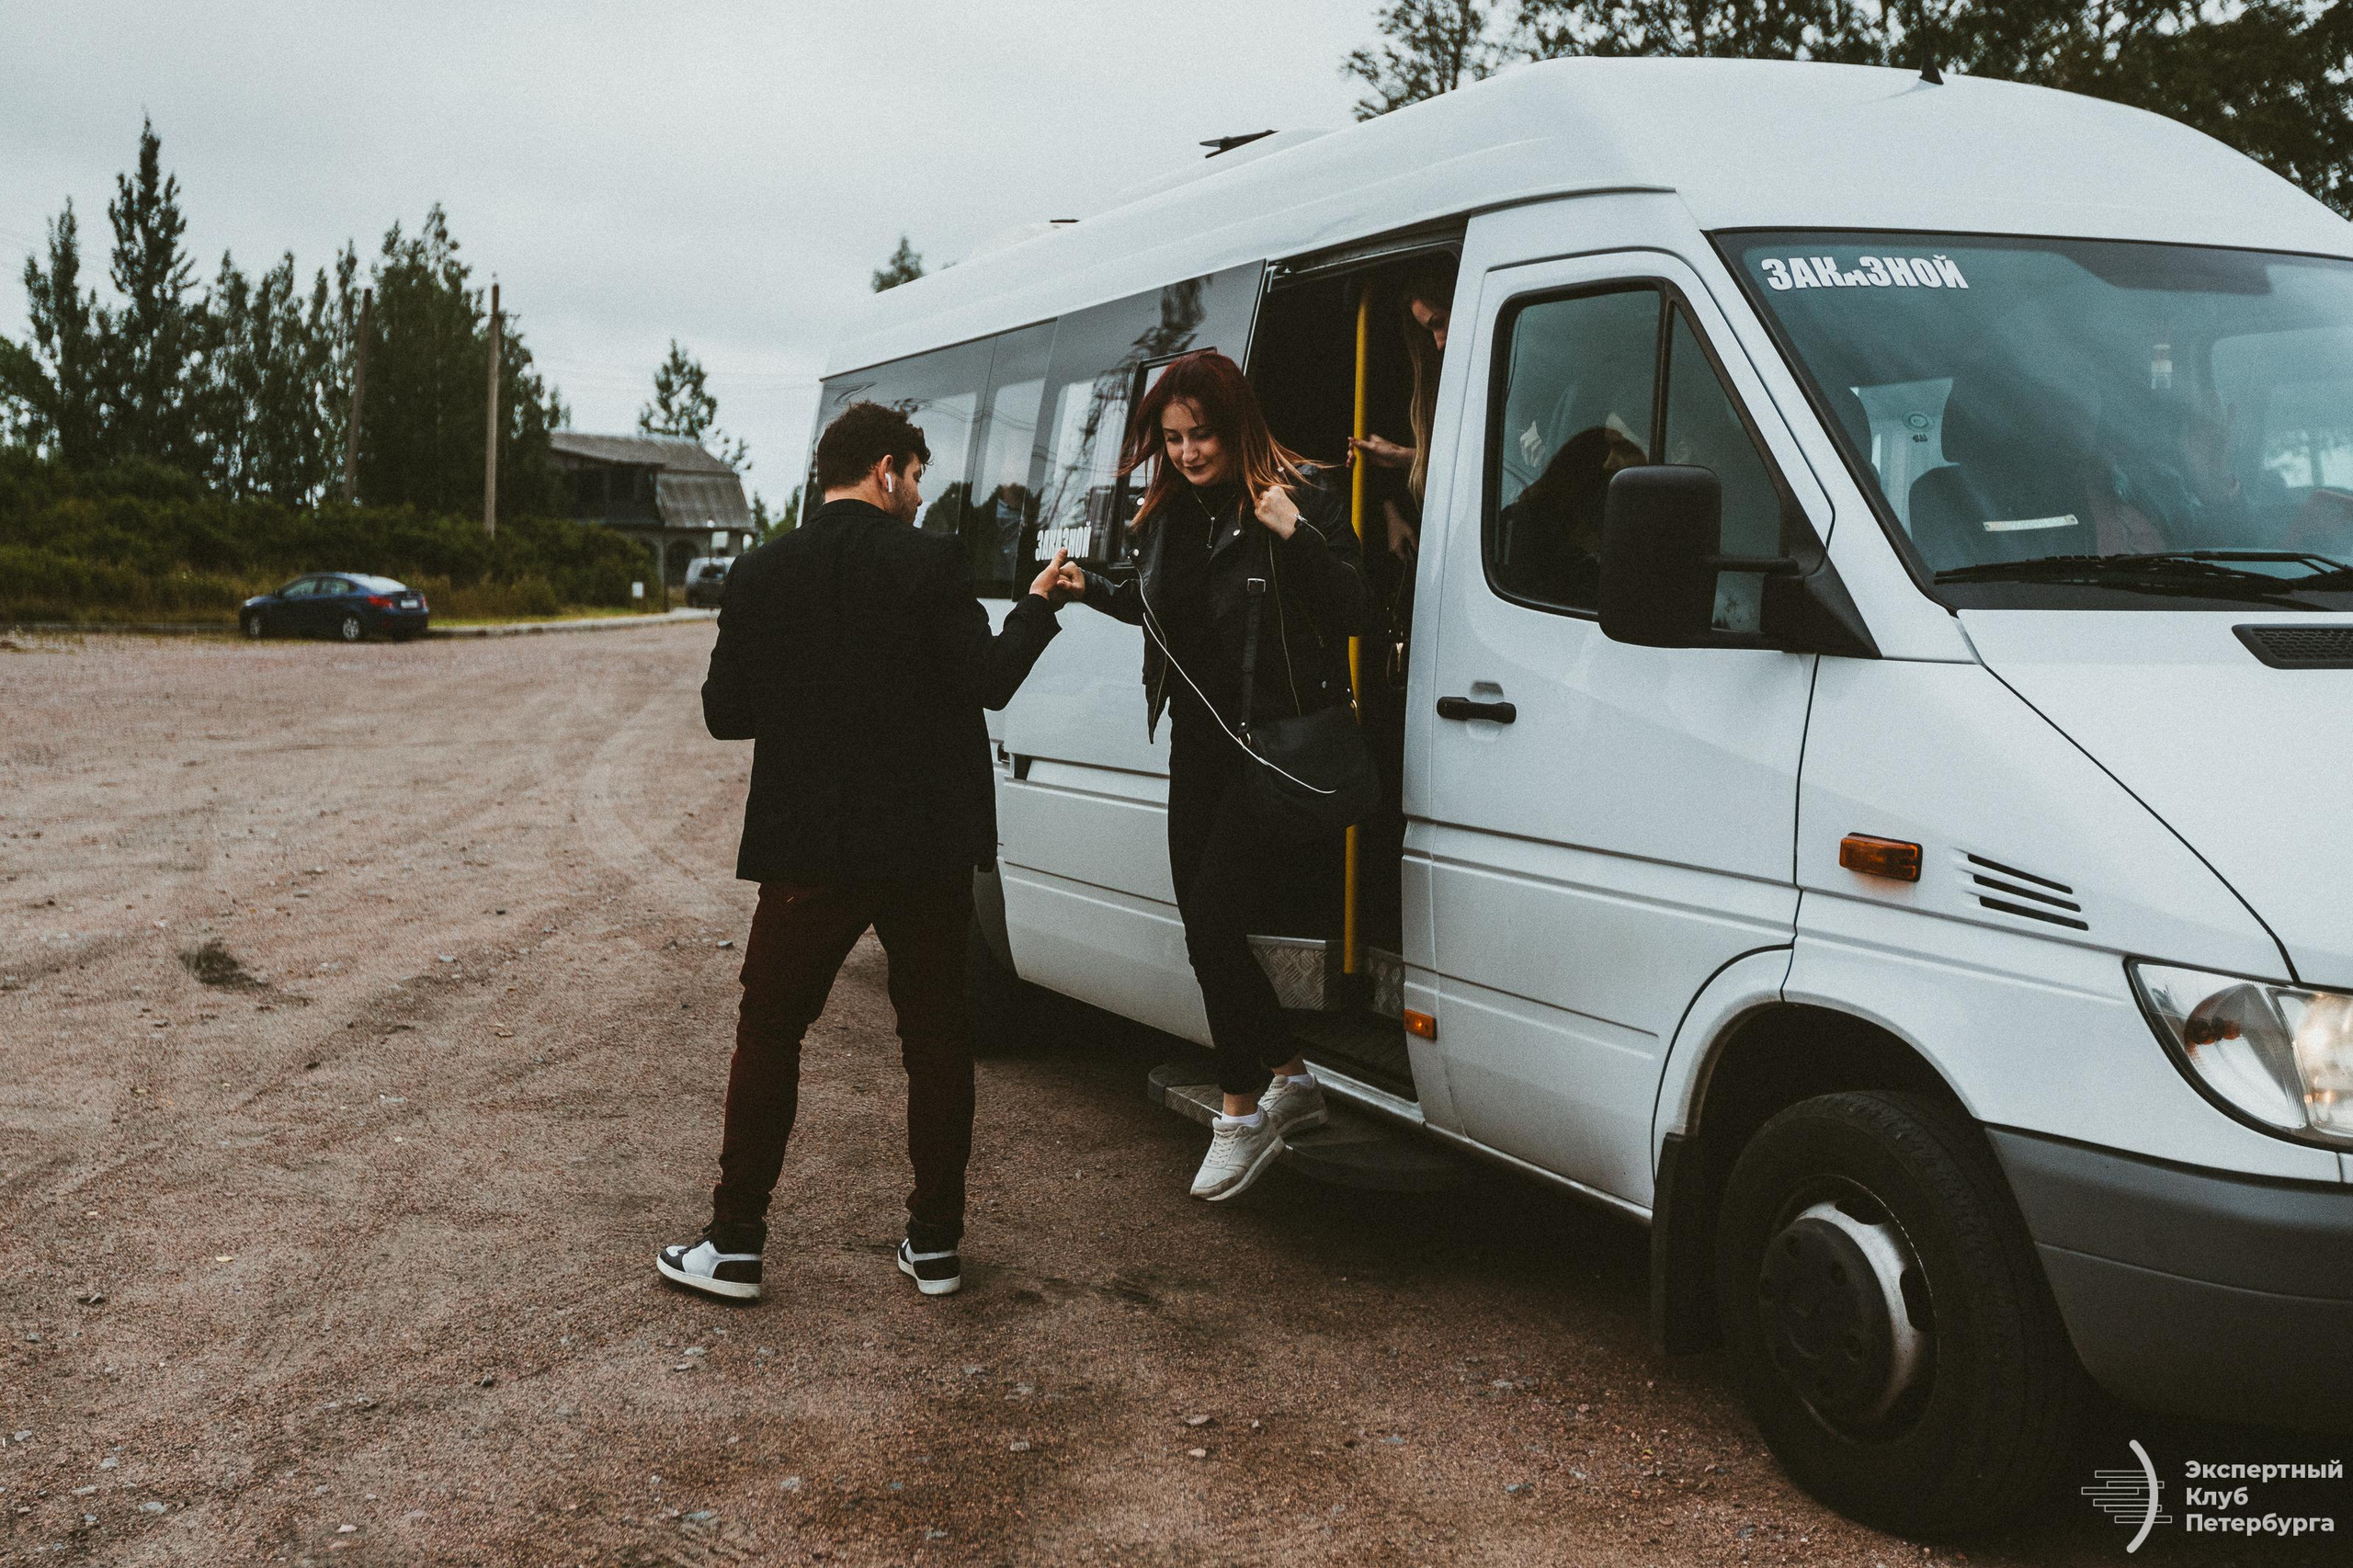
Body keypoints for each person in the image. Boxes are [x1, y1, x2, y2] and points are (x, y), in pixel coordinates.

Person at [657, 400, 1083, 1304]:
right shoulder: (932, 563)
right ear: (887, 469)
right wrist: (1040, 604)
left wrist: (813, 696)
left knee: (770, 1029)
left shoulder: (763, 571)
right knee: (935, 1035)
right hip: (925, 843)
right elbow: (990, 683)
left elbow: (725, 713)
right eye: (918, 475)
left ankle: (735, 1242)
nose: (921, 495)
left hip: (807, 843)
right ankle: (934, 1245)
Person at [1063, 350, 1370, 1201]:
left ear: (1237, 427)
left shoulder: (1298, 495)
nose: (1188, 452)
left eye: (1201, 435)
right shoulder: (1168, 511)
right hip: (1196, 748)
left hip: (1267, 746)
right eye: (1172, 438)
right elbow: (1157, 601)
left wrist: (1292, 534)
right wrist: (1087, 584)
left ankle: (1240, 1111)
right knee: (1206, 932)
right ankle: (1289, 1077)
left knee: (1209, 923)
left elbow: (1355, 609)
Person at [1347, 256, 1458, 564]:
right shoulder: (1426, 386)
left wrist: (1405, 457)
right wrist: (1391, 512)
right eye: (1429, 332)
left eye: (1440, 323)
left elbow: (1488, 468)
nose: (1438, 343)